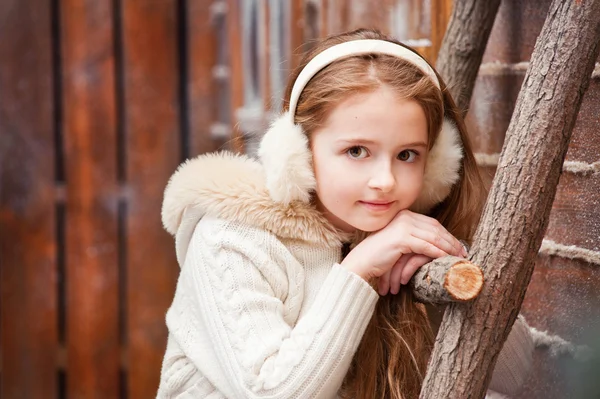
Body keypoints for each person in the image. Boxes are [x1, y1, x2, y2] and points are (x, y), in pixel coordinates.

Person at [157, 28, 533, 399]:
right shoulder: (231, 237)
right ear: (297, 152)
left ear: (435, 165)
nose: (385, 181)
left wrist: (447, 260)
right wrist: (359, 268)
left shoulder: (405, 231)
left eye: (407, 155)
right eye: (356, 151)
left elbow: (512, 376)